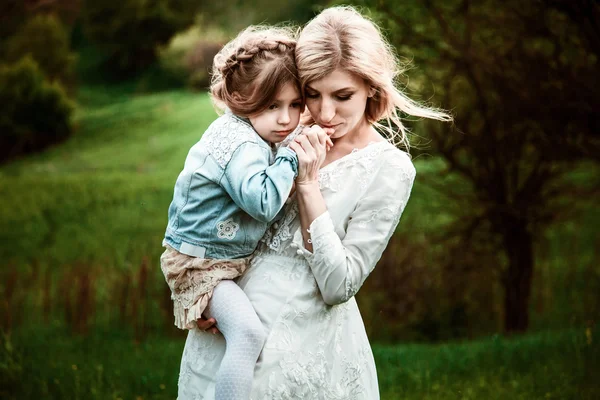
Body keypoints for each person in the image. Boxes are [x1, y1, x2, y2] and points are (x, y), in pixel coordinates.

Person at [178, 6, 452, 399]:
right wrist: (203, 292)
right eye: (312, 93)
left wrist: (307, 185)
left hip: (305, 349)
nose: (325, 113)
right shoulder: (281, 127)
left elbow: (339, 285)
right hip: (226, 334)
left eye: (343, 96)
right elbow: (213, 216)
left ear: (371, 88)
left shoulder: (388, 168)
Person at [160, 25, 331, 400]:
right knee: (249, 334)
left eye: (295, 105)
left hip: (219, 259)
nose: (286, 120)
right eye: (272, 106)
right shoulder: (240, 144)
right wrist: (291, 152)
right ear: (239, 98)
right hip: (200, 265)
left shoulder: (251, 132)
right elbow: (264, 201)